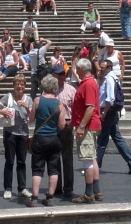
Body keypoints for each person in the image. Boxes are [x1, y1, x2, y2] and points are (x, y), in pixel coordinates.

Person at [0, 73, 32, 201]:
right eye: (17, 84)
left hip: (23, 133)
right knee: (9, 161)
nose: (19, 86)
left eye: (22, 84)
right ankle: (8, 189)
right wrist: (2, 111)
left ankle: (22, 188)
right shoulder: (8, 97)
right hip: (10, 133)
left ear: (25, 86)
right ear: (14, 85)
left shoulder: (29, 99)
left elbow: (32, 117)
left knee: (22, 162)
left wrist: (26, 106)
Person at [95, 59, 131, 174]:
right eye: (100, 67)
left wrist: (104, 113)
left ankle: (95, 166)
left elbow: (110, 98)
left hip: (108, 112)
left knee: (102, 140)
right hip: (112, 113)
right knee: (117, 138)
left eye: (103, 67)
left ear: (109, 68)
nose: (100, 69)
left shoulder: (109, 79)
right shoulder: (112, 77)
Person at [27, 74, 65, 207]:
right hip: (54, 139)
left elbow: (31, 120)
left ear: (43, 85)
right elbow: (61, 125)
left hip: (39, 139)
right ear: (55, 87)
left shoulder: (38, 100)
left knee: (37, 169)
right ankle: (49, 197)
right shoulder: (60, 104)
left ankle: (34, 198)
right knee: (53, 169)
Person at [71, 58, 103, 203]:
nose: (77, 71)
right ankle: (96, 191)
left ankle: (89, 193)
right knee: (92, 158)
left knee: (87, 160)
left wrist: (81, 126)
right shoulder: (90, 82)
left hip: (88, 126)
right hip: (92, 125)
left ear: (82, 69)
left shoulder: (88, 84)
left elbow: (90, 107)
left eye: (77, 69)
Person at [54, 65, 77, 199]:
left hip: (67, 125)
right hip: (53, 126)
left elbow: (76, 109)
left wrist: (71, 125)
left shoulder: (71, 90)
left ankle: (68, 187)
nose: (61, 77)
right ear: (54, 75)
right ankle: (56, 186)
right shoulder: (49, 90)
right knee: (54, 158)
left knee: (67, 158)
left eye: (63, 74)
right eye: (59, 74)